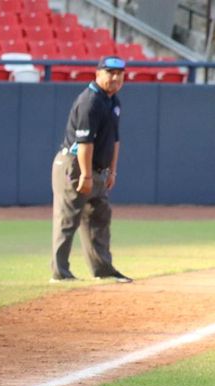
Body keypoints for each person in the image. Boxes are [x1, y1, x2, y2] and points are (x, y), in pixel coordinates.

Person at [50, 55, 132, 284]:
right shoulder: (91, 101)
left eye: (119, 74)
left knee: (100, 217)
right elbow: (85, 143)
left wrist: (112, 171)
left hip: (96, 169)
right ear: (98, 74)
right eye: (110, 72)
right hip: (75, 165)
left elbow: (114, 140)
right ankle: (59, 273)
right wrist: (85, 175)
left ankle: (103, 269)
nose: (115, 78)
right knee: (68, 218)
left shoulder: (113, 101)